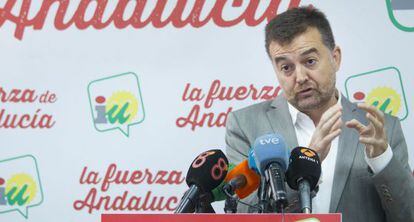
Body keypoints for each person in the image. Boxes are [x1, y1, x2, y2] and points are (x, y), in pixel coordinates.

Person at [225, 6, 414, 222]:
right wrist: (307, 163)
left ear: (335, 58)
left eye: (310, 61)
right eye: (286, 68)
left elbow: (408, 215)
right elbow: (244, 215)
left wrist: (381, 160)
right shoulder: (245, 125)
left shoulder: (382, 128)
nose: (301, 76)